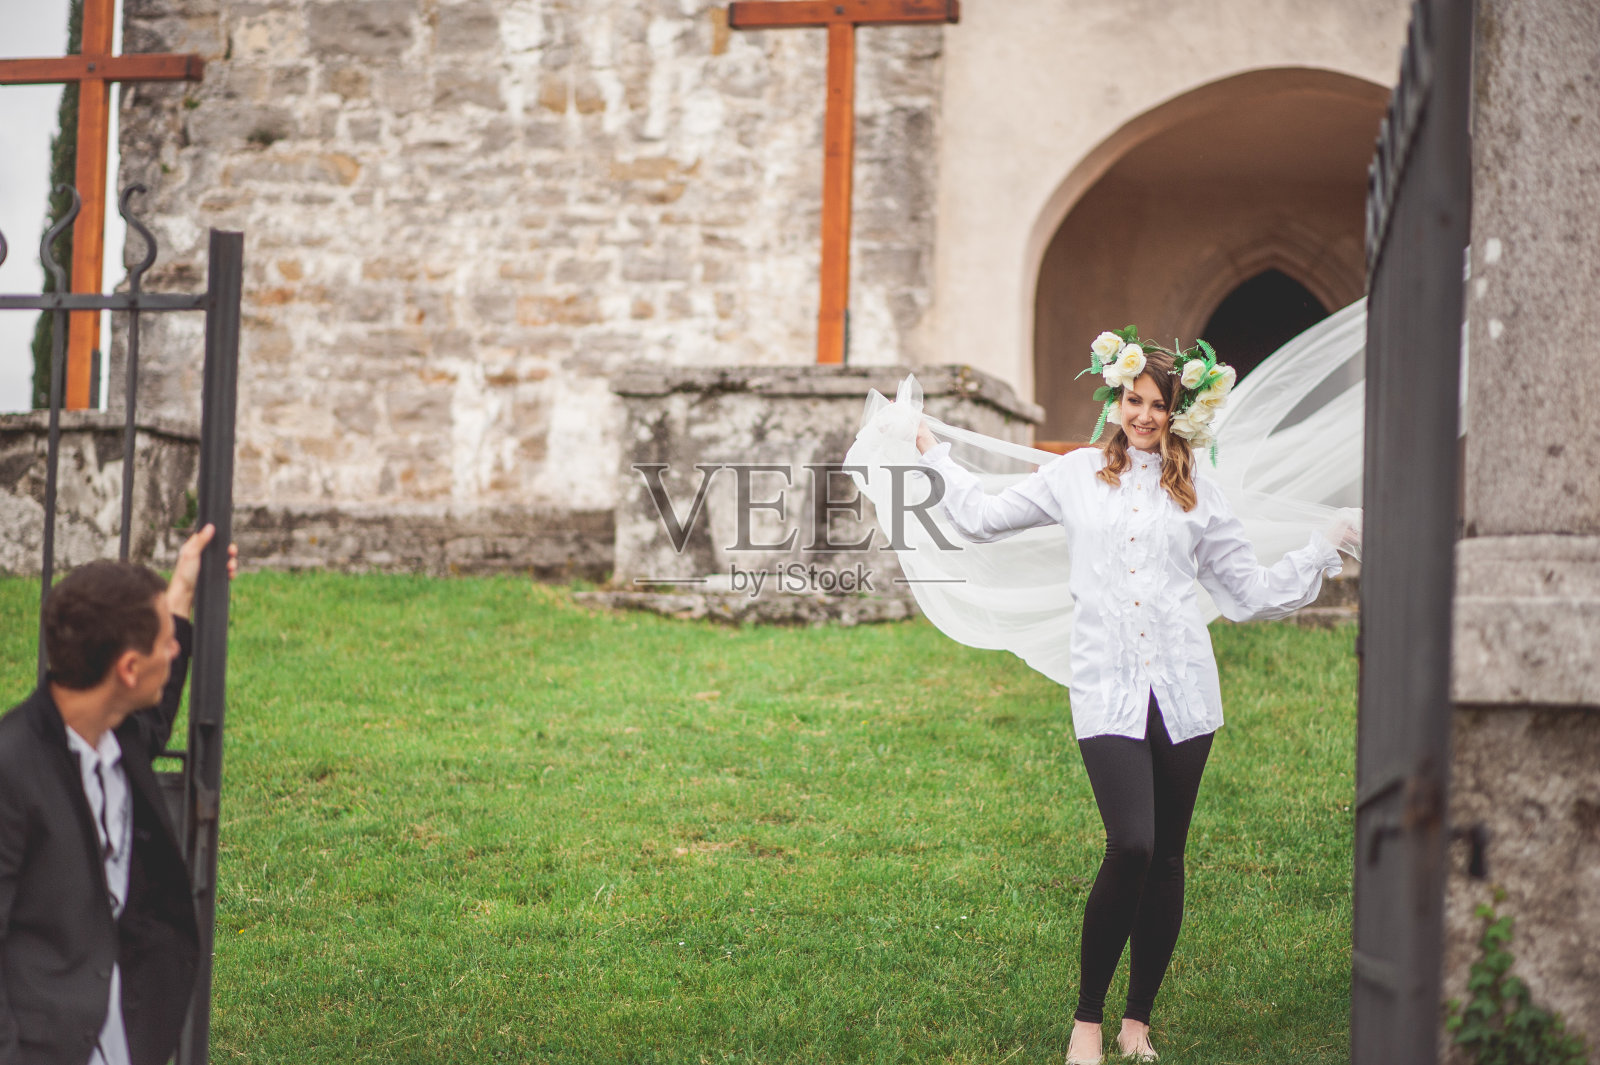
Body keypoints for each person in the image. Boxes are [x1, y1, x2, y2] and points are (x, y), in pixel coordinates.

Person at [912, 333, 1354, 1064]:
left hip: (1184, 692)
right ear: (1114, 398)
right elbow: (981, 517)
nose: (1142, 415)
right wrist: (933, 454)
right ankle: (1087, 1020)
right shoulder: (1076, 475)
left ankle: (1137, 1019)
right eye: (1132, 399)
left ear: (1179, 414)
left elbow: (1247, 595)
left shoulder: (1199, 492)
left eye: (1157, 404)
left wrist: (1322, 546)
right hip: (1106, 686)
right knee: (1133, 844)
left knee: (1169, 857)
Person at [0, 526, 237, 1065]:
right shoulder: (11, 769)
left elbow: (153, 716)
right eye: (164, 642)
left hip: (115, 1039)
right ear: (128, 669)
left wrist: (182, 587)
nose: (176, 649)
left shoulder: (116, 735)